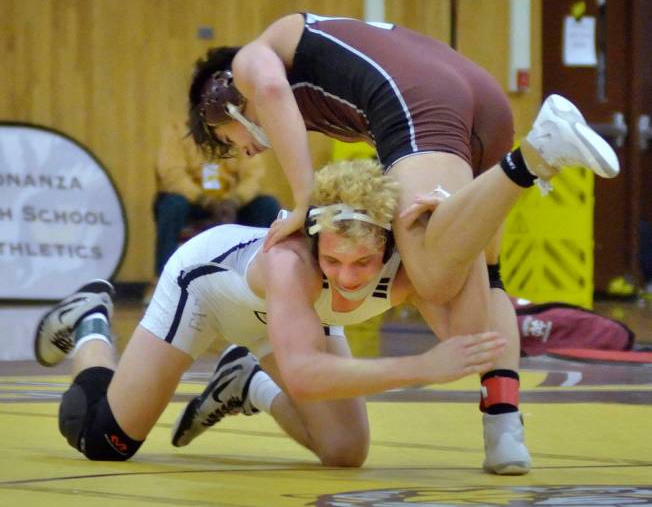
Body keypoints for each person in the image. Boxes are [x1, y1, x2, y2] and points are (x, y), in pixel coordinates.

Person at [33, 100, 618, 472]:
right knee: (104, 439)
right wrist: (422, 367)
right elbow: (311, 376)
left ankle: (247, 384)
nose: (345, 277)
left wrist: (467, 241)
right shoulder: (293, 264)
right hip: (207, 288)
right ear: (315, 241)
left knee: (345, 453)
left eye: (364, 265)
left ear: (390, 247)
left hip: (288, 324)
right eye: (334, 261)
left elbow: (468, 336)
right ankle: (89, 325)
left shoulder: (409, 265)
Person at [186, 14, 620, 468]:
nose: (244, 150)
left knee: (432, 280)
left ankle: (532, 159)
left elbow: (274, 93)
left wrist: (302, 203)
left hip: (418, 101)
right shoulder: (315, 64)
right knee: (472, 318)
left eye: (228, 140)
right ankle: (503, 428)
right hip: (476, 95)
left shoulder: (251, 59)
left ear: (225, 104)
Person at [153, 117, 280, 278]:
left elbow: (253, 176)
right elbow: (172, 175)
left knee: (267, 205)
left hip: (231, 204)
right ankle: (163, 278)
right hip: (194, 203)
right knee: (172, 205)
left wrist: (235, 201)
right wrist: (205, 201)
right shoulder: (177, 131)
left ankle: (258, 275)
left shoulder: (239, 131)